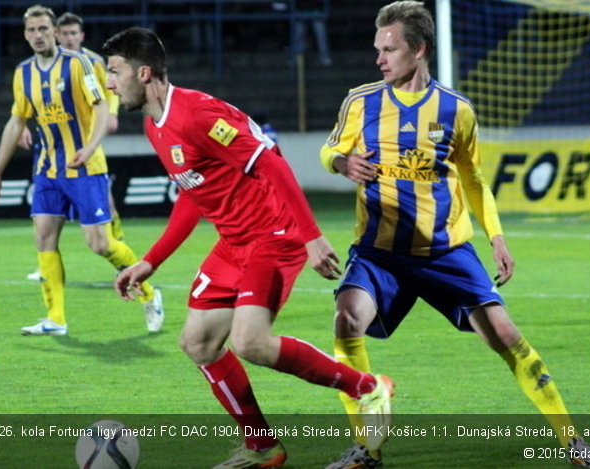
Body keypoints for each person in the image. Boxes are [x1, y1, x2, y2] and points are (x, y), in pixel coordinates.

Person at [318, 2, 590, 468]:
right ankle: (366, 448)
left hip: (445, 252)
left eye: (389, 49)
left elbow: (474, 179)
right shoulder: (360, 101)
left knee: (505, 335)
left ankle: (573, 441)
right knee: (346, 318)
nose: (379, 59)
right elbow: (330, 149)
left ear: (419, 49)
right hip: (380, 253)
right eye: (378, 49)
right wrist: (340, 162)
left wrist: (496, 236)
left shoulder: (457, 111)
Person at [102, 27, 394, 468]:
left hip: (275, 236)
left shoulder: (197, 114)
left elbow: (271, 162)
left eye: (113, 71)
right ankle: (263, 447)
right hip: (234, 243)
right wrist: (150, 261)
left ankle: (368, 387)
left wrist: (311, 235)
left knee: (250, 341)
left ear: (143, 73)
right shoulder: (154, 127)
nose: (108, 82)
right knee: (198, 342)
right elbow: (192, 193)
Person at [0, 5, 163, 336]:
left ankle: (150, 295)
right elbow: (16, 121)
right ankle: (55, 319)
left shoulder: (78, 63)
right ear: (25, 35)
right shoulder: (23, 72)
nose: (37, 35)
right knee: (43, 236)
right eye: (31, 31)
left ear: (54, 31)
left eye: (43, 29)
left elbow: (98, 106)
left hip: (84, 167)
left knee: (100, 244)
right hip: (47, 169)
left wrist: (91, 147)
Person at [22, 12, 130, 281]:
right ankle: (46, 263)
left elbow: (106, 93)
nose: (69, 38)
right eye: (65, 33)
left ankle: (119, 247)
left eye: (74, 34)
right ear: (57, 34)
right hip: (52, 147)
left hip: (85, 141)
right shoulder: (36, 67)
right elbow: (31, 98)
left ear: (81, 36)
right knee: (45, 220)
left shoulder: (89, 62)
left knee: (105, 210)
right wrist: (23, 123)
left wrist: (112, 114)